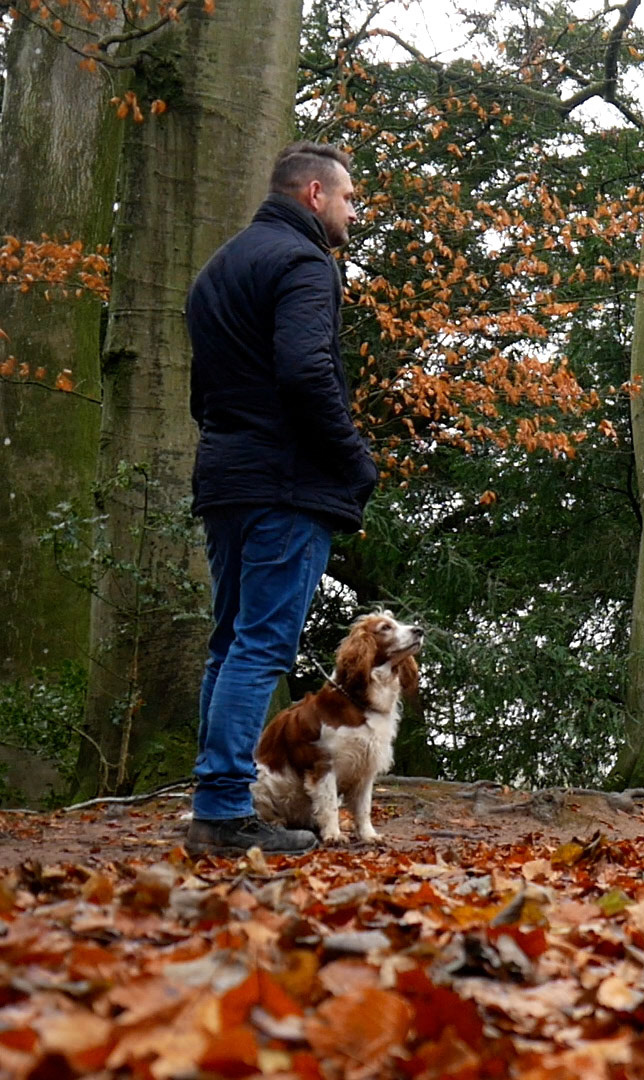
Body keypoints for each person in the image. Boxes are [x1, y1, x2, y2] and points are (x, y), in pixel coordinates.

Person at [183, 142, 376, 856]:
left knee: (229, 643)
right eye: (350, 198)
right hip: (284, 485)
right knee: (259, 645)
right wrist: (354, 461)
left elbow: (204, 393)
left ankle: (215, 802)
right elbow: (305, 372)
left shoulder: (217, 270)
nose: (355, 211)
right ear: (315, 196)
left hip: (227, 477)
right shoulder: (303, 264)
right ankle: (225, 813)